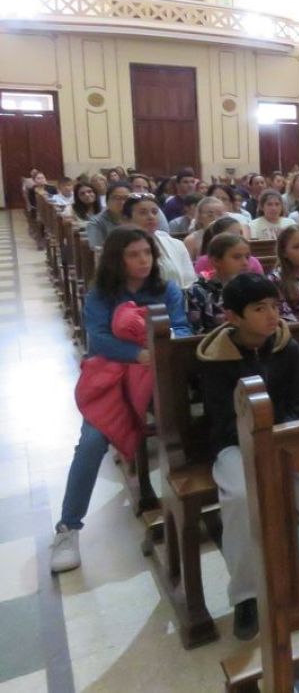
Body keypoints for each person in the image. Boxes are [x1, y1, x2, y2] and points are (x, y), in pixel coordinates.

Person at [50, 228, 191, 574]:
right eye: (133, 254)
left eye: (147, 253)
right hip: (111, 375)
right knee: (91, 443)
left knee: (186, 427)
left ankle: (189, 500)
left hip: (157, 374)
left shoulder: (166, 288)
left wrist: (161, 350)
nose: (143, 260)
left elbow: (183, 328)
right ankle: (68, 527)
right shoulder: (102, 294)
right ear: (118, 259)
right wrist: (140, 353)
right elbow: (97, 339)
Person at [197, 273, 299, 640]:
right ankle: (247, 596)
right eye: (259, 308)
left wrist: (282, 432)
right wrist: (260, 439)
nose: (271, 316)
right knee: (238, 496)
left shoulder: (288, 347)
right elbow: (222, 418)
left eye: (274, 306)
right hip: (237, 443)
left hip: (287, 437)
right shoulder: (215, 358)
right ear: (233, 317)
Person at [123, 193, 196, 290]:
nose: (151, 217)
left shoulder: (176, 244)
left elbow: (190, 281)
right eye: (143, 213)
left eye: (154, 212)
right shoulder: (120, 246)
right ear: (127, 219)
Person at [187, 233, 252, 333]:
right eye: (237, 257)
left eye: (247, 257)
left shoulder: (252, 286)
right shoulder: (198, 290)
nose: (245, 263)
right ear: (216, 261)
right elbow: (196, 331)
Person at [194, 216, 264, 276]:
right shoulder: (203, 262)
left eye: (240, 233)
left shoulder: (253, 262)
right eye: (232, 234)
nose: (245, 263)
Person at [85, 182, 132, 248]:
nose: (122, 202)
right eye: (117, 198)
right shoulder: (96, 222)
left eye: (126, 198)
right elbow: (97, 249)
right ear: (107, 201)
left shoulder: (137, 217)